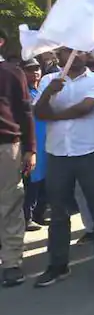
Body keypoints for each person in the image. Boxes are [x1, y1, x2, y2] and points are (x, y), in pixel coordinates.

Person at [33, 47, 94, 287]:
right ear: (59, 55)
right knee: (58, 213)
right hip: (57, 154)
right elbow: (39, 112)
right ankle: (58, 266)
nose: (73, 55)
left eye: (78, 51)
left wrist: (54, 116)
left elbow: (85, 108)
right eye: (67, 51)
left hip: (88, 153)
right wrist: (48, 93)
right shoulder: (49, 80)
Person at [0, 29, 36, 287]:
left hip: (6, 147)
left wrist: (30, 148)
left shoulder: (13, 73)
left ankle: (11, 262)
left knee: (9, 204)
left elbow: (25, 112)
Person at [21, 59, 47, 231]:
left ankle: (39, 214)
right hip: (32, 144)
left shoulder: (43, 89)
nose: (35, 72)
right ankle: (26, 217)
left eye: (37, 68)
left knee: (44, 182)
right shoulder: (22, 92)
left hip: (47, 143)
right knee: (30, 183)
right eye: (30, 69)